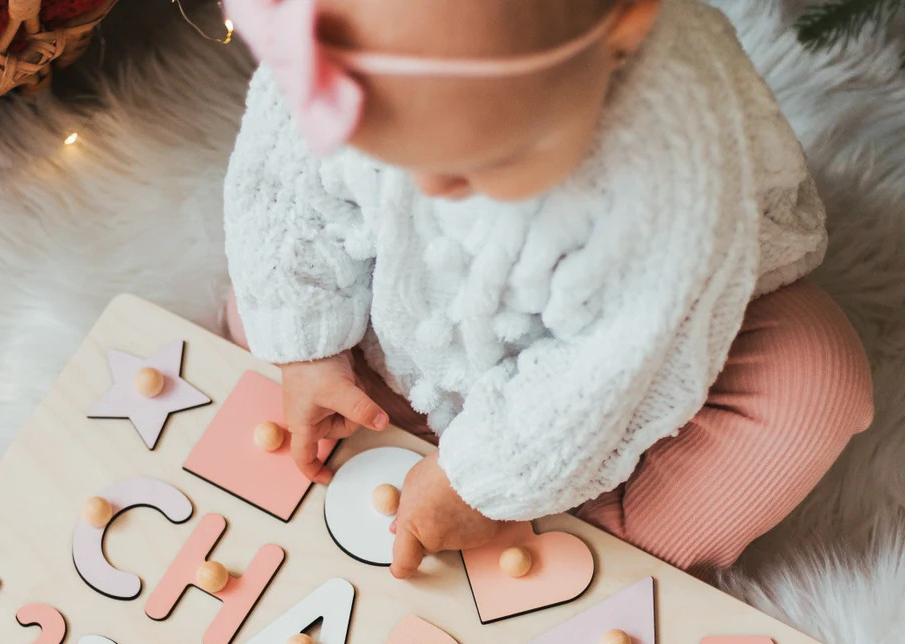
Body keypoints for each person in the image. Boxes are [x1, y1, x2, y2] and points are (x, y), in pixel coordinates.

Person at [222, 0, 873, 578]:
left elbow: (614, 361)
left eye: (483, 160)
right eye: (389, 151)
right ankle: (397, 436)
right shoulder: (330, 32)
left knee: (814, 383)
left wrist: (483, 479)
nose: (433, 188)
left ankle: (595, 543)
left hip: (640, 352)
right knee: (269, 314)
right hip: (408, 314)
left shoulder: (670, 160)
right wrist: (310, 349)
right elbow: (281, 178)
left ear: (620, 34)